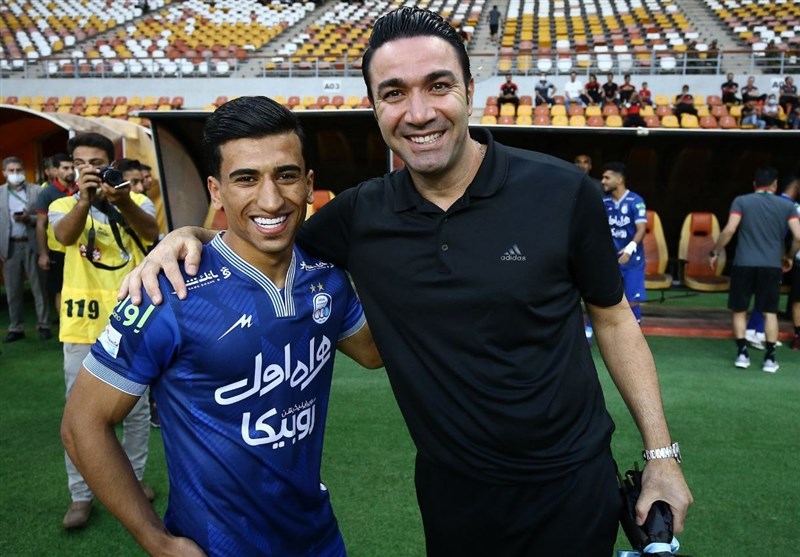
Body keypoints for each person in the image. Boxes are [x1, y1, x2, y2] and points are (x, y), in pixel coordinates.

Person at [122, 8, 692, 555]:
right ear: (375, 107)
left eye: (437, 86)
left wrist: (662, 456)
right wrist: (190, 235)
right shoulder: (358, 215)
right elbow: (265, 228)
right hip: (451, 493)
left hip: (571, 483)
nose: (418, 113)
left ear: (470, 89)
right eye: (394, 93)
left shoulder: (562, 191)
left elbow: (614, 319)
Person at [61, 96, 381, 556]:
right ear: (216, 191)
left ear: (309, 184)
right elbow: (82, 424)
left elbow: (373, 353)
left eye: (286, 175)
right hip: (215, 547)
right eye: (246, 178)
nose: (271, 199)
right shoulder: (168, 289)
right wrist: (157, 542)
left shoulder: (326, 278)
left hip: (319, 539)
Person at [50, 132, 160, 529]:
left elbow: (150, 233)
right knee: (78, 414)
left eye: (96, 163)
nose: (88, 170)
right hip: (81, 325)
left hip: (130, 322)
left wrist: (122, 200)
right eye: (80, 163)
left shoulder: (136, 200)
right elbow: (64, 236)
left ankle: (133, 480)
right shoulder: (62, 205)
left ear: (111, 164)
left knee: (135, 411)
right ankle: (81, 495)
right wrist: (84, 199)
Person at [709, 166, 800, 373]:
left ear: (754, 184)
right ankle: (770, 358)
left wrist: (715, 252)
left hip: (743, 264)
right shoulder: (787, 206)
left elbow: (729, 230)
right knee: (770, 312)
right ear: (775, 184)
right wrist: (788, 256)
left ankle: (742, 354)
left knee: (739, 310)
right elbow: (798, 236)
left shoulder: (741, 201)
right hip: (772, 265)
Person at [1, 156, 51, 342]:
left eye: (18, 170)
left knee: (39, 288)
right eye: (11, 171)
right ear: (4, 173)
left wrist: (28, 219)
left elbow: (46, 218)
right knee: (13, 290)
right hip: (10, 246)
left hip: (33, 243)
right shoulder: (0, 193)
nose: (15, 174)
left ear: (23, 171)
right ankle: (16, 327)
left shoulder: (37, 191)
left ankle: (44, 325)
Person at [601, 162, 647, 324]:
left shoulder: (635, 200)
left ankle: (636, 330)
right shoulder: (604, 202)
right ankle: (589, 331)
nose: (603, 181)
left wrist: (629, 250)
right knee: (601, 297)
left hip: (632, 259)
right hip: (609, 259)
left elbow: (641, 229)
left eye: (607, 178)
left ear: (619, 180)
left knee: (632, 299)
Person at [35, 153, 76, 322]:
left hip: (81, 249)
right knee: (61, 290)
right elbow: (40, 225)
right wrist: (43, 254)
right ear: (55, 170)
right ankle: (64, 326)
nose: (70, 171)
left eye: (72, 167)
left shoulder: (82, 189)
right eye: (65, 168)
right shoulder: (47, 194)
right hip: (59, 251)